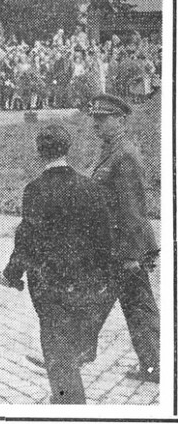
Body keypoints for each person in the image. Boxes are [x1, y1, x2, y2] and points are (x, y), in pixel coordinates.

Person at [0, 124, 112, 405]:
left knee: (58, 352)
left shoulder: (35, 190)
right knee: (68, 348)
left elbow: (25, 240)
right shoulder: (90, 187)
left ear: (39, 153)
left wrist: (10, 275)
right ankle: (65, 398)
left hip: (49, 287)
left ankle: (69, 407)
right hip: (85, 284)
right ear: (67, 149)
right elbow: (105, 238)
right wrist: (101, 279)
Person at [85, 94, 159, 382]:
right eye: (95, 119)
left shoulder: (124, 154)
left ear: (120, 120)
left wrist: (131, 256)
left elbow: (132, 209)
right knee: (137, 306)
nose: (96, 124)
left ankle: (69, 354)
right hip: (116, 246)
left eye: (102, 119)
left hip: (124, 249)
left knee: (111, 302)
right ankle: (155, 365)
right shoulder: (110, 150)